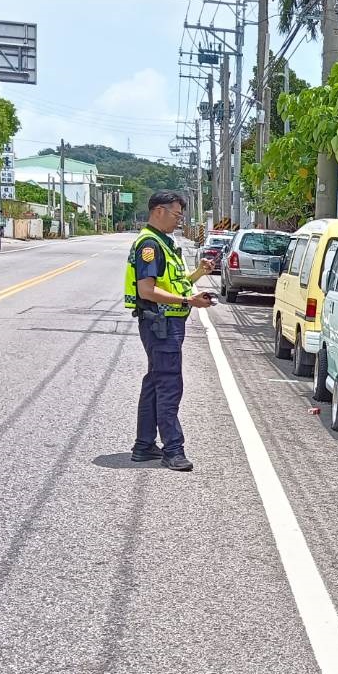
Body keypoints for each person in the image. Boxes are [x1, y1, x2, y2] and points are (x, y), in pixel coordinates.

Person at [124, 191, 215, 471]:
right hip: (159, 324)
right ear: (158, 211)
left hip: (165, 323)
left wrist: (198, 274)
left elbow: (173, 284)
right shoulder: (150, 245)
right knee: (169, 385)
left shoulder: (164, 243)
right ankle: (173, 449)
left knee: (155, 381)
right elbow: (147, 290)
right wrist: (190, 301)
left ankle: (144, 444)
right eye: (177, 215)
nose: (179, 221)